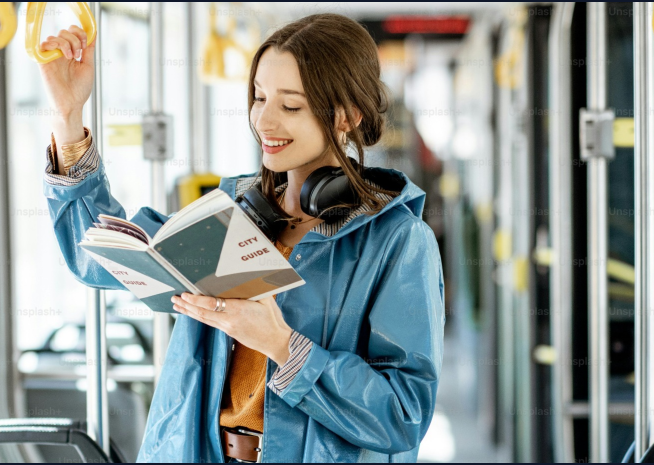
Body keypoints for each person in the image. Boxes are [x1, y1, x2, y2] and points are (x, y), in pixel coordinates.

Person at [38, 12, 445, 463]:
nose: (264, 121)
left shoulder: (397, 242)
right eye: (260, 98)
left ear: (347, 115)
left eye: (291, 106)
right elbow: (100, 252)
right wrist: (67, 116)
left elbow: (403, 415)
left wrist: (283, 346)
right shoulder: (232, 214)